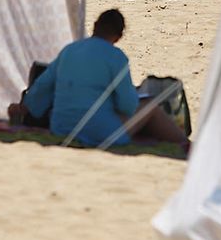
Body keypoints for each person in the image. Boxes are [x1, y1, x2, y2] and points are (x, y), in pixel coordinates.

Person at [13, 8, 188, 147]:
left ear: (95, 26)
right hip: (98, 133)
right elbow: (128, 106)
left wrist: (26, 108)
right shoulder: (116, 57)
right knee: (149, 106)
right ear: (118, 37)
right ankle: (185, 145)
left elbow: (41, 88)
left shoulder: (69, 50)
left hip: (61, 128)